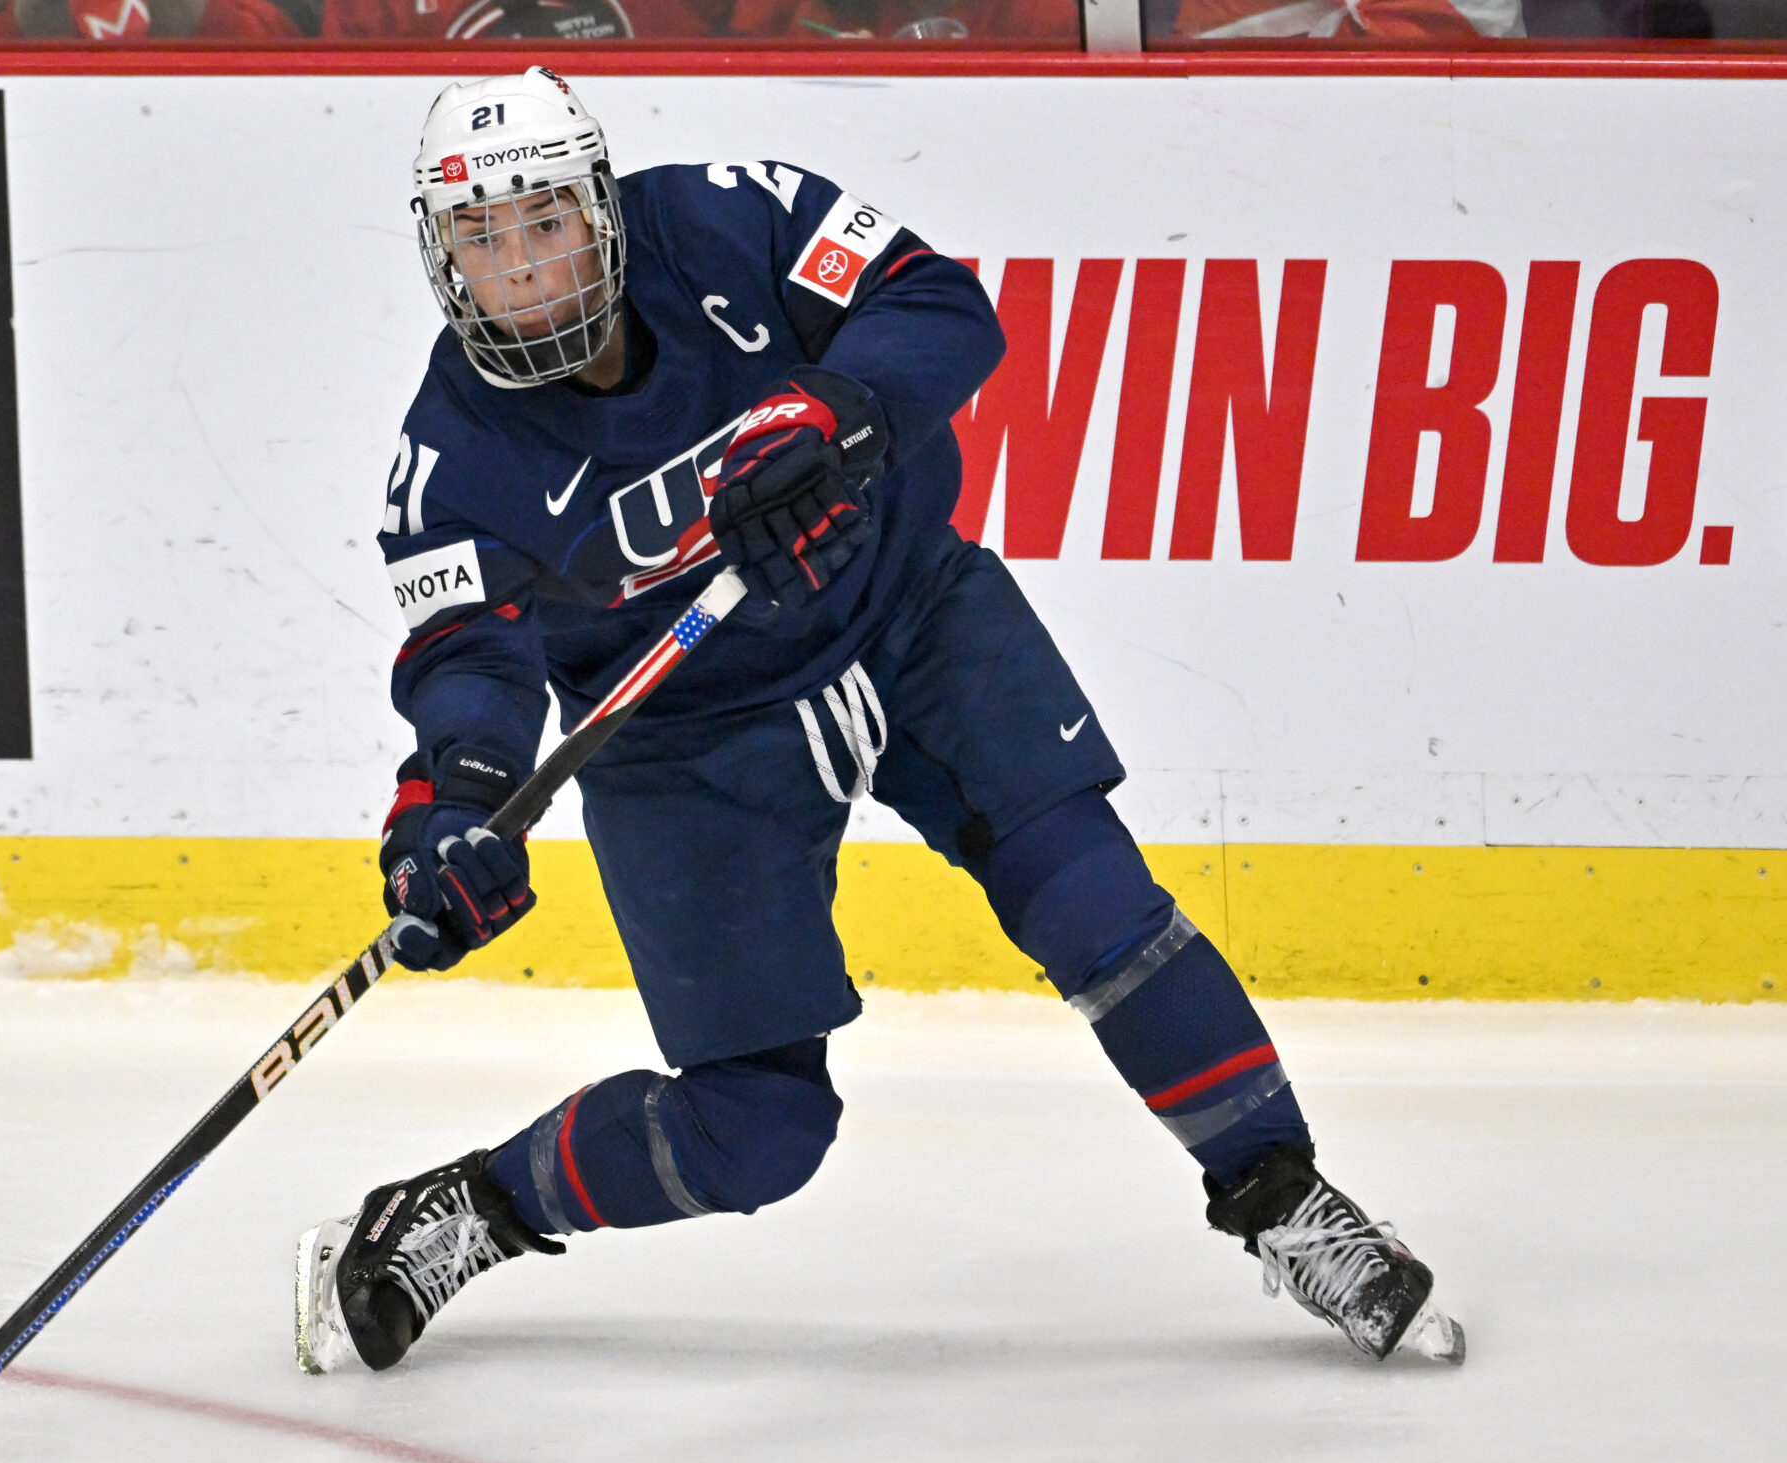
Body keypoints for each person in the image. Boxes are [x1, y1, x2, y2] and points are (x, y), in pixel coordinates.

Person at [296, 66, 1465, 1379]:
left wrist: (832, 410)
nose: (521, 266)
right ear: (440, 251)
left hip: (910, 612)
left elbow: (937, 301)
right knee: (758, 1129)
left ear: (604, 210)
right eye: (481, 235)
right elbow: (468, 659)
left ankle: (1283, 1198)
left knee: (1096, 904)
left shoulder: (733, 217)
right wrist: (453, 810)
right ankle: (469, 1209)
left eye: (547, 221)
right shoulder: (449, 463)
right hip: (690, 740)